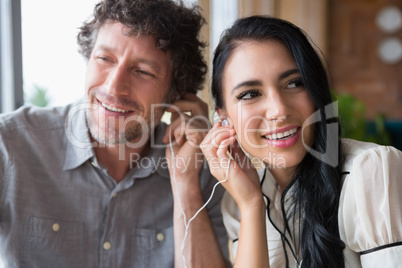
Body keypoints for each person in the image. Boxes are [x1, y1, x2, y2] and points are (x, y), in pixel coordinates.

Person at [0, 0, 230, 267]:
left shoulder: (204, 167)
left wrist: (186, 186)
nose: (114, 86)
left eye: (143, 71)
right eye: (105, 58)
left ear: (176, 94)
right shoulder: (10, 143)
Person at [201, 16, 402, 268]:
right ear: (223, 119)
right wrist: (252, 205)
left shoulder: (370, 171)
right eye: (250, 94)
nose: (278, 110)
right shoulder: (238, 199)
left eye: (294, 83)